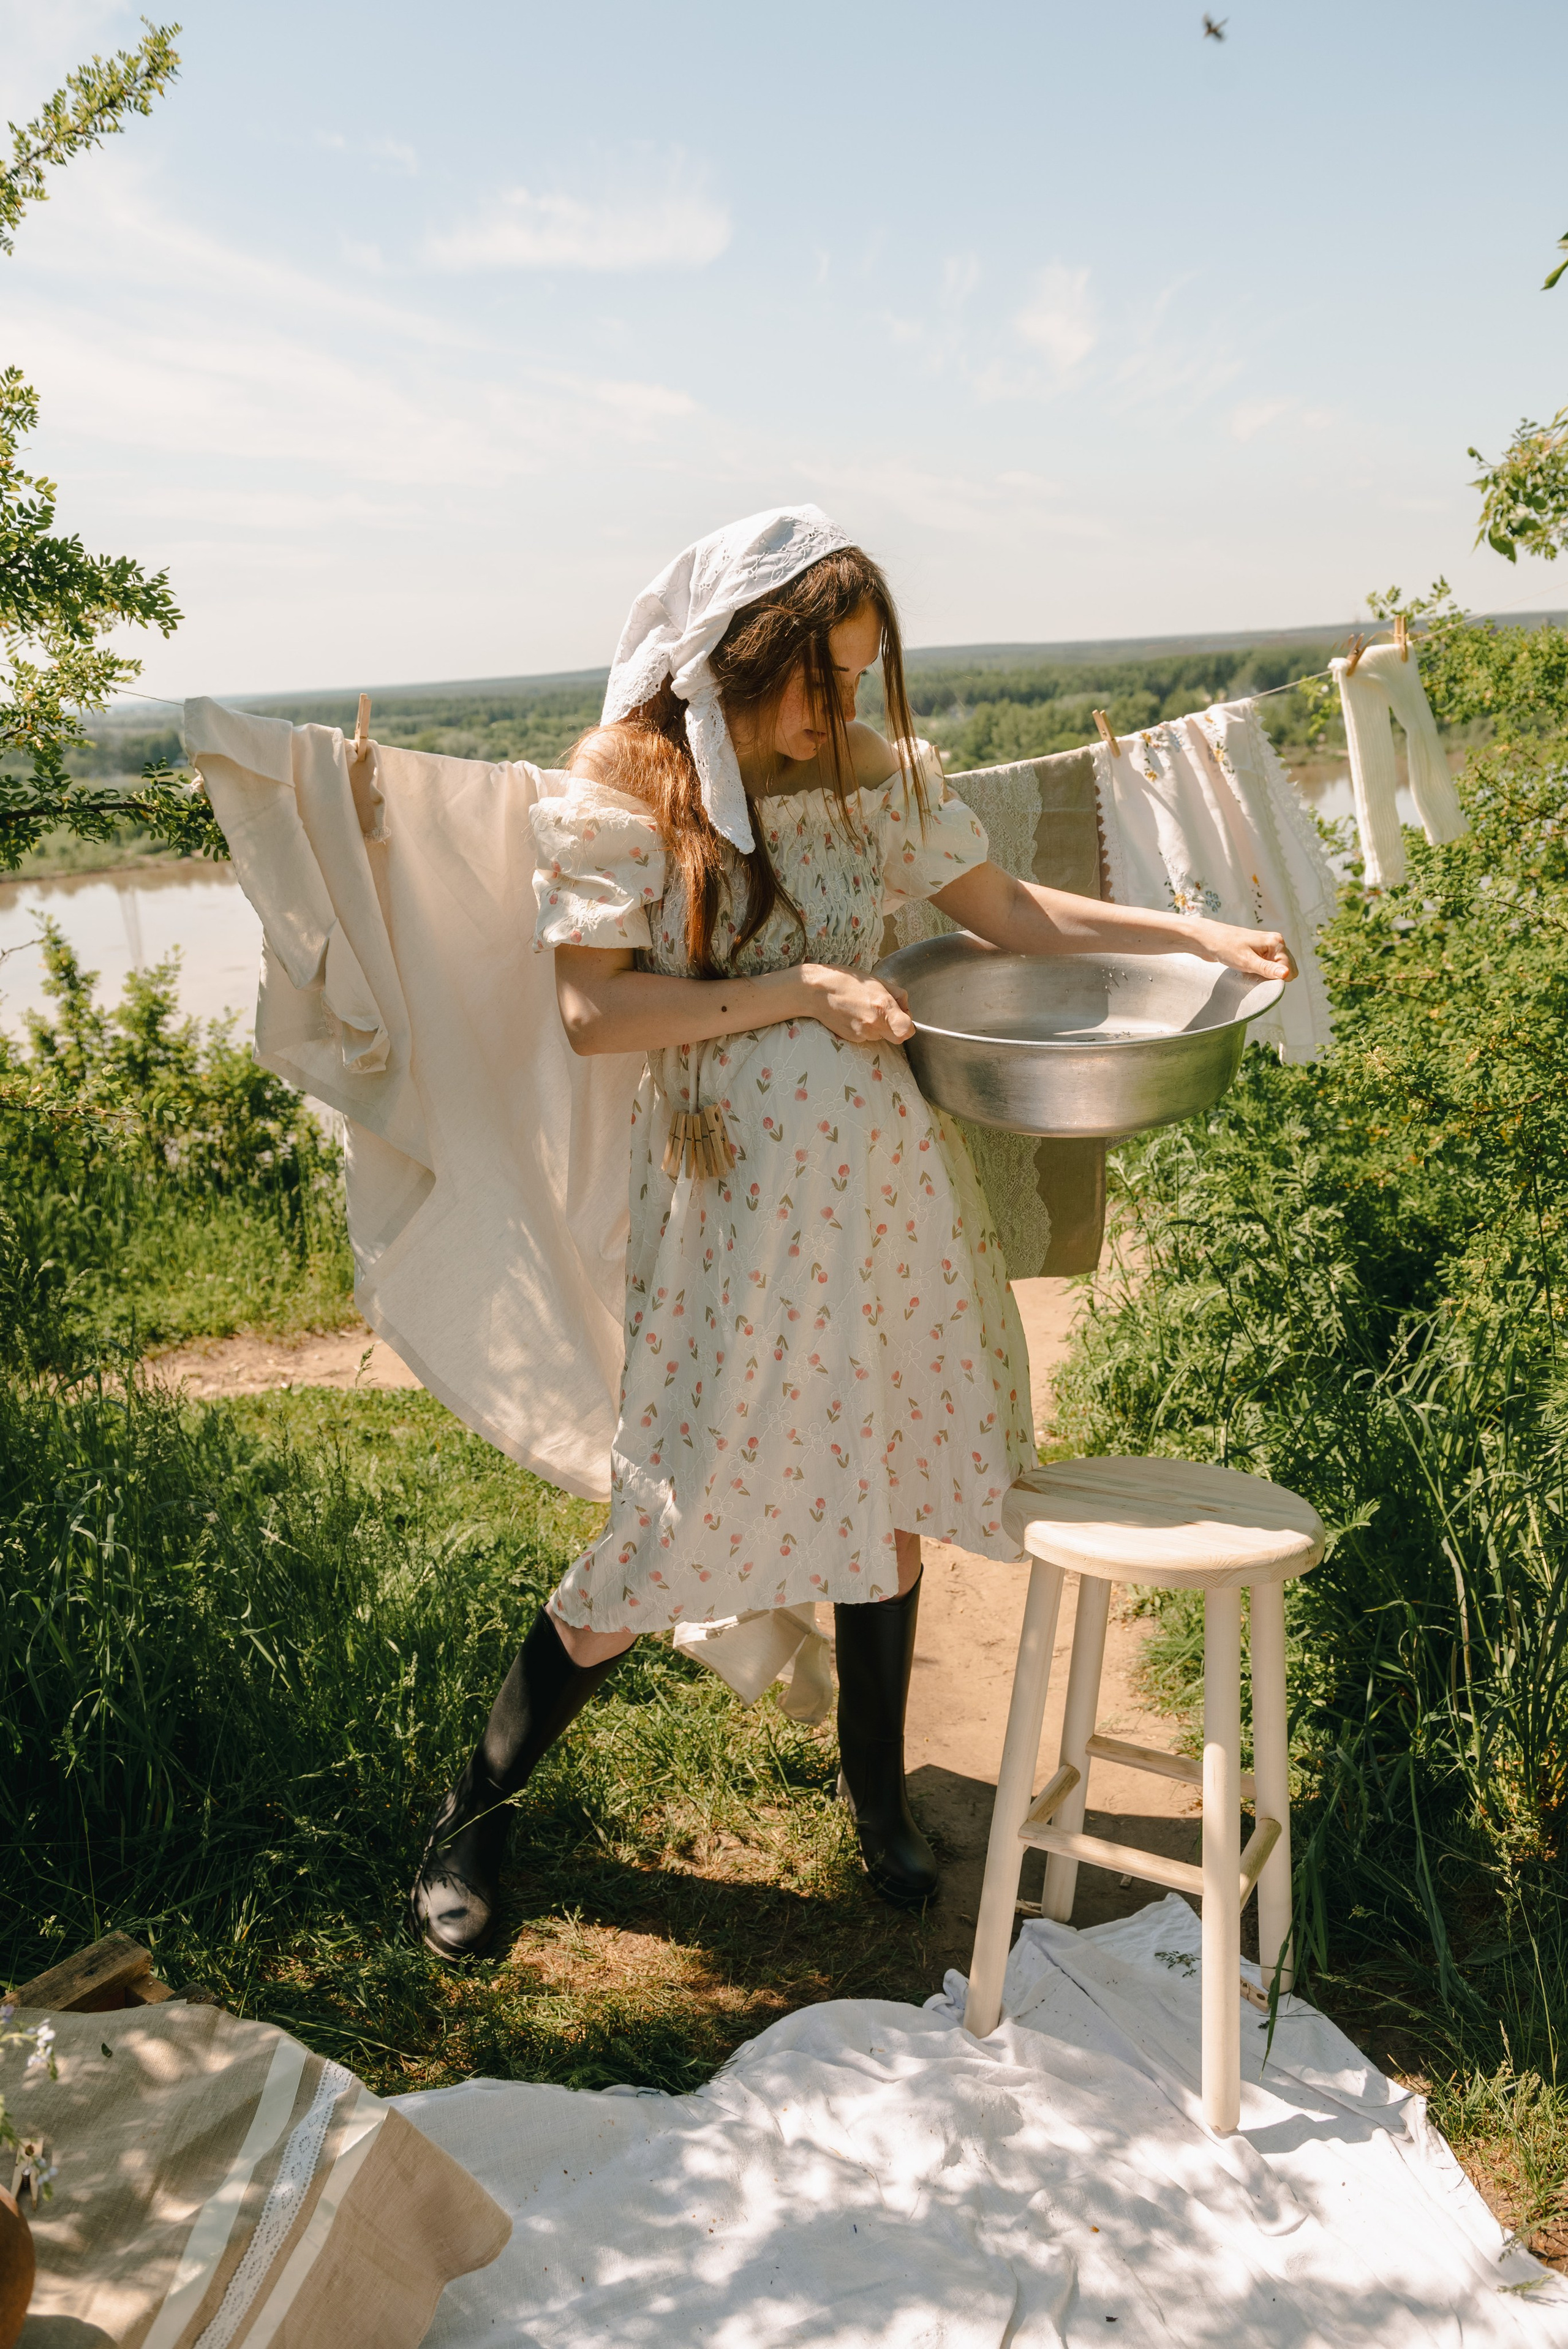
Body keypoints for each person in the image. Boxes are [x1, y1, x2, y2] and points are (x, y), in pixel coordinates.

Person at [410, 507, 1294, 1960]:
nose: (832, 715)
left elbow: (997, 906)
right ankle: (474, 1808)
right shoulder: (623, 786)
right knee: (670, 1514)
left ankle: (874, 1800)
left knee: (882, 1481)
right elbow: (595, 1012)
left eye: (855, 678)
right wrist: (807, 989)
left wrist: (1185, 936)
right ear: (734, 658)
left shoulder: (868, 770)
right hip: (733, 1198)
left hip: (884, 1189)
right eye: (815, 680)